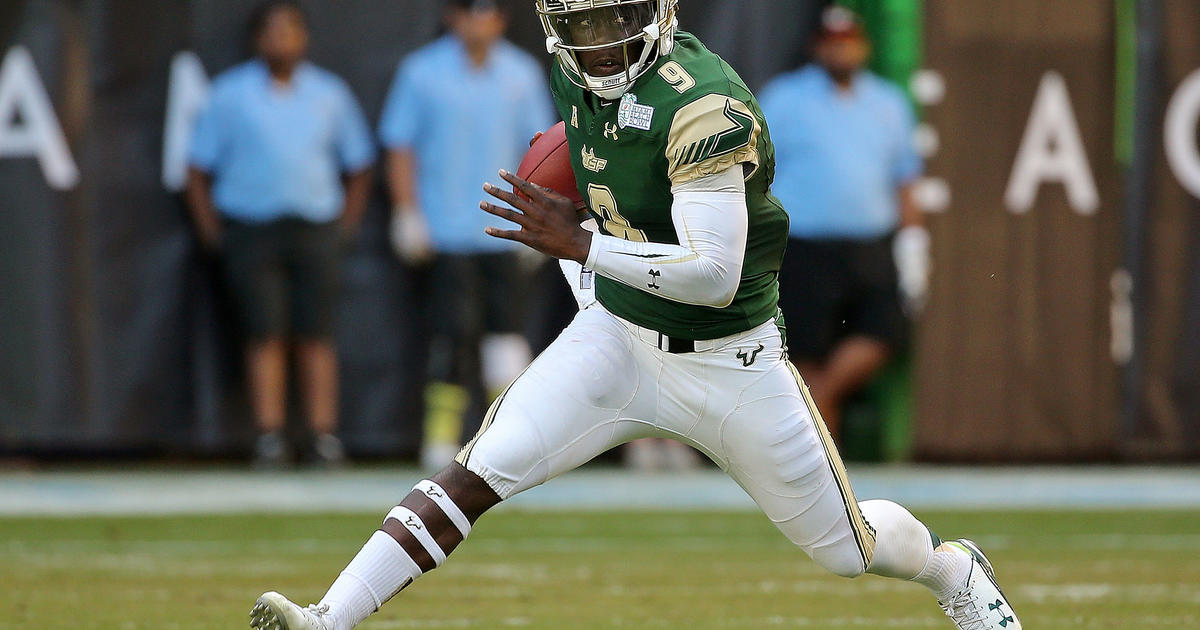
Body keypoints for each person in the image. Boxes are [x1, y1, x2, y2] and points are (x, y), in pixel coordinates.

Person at [249, 2, 1020, 629]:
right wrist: (587, 278)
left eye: (618, 20)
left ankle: (952, 568)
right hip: (617, 336)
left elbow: (713, 276)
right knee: (472, 475)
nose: (605, 45)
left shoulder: (703, 105)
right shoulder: (572, 81)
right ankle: (327, 619)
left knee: (848, 550)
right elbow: (588, 190)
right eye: (583, 26)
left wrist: (582, 248)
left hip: (730, 361)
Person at [186, 0, 375, 467]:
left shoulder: (329, 93)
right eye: (272, 32)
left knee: (317, 333)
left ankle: (322, 436)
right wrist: (213, 232)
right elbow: (197, 168)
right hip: (251, 228)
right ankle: (269, 436)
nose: (281, 40)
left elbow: (358, 163)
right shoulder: (230, 94)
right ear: (257, 40)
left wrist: (346, 225)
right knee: (264, 333)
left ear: (304, 38)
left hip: (315, 227)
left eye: (290, 31)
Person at [378, 0, 554, 470]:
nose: (481, 21)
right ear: (452, 17)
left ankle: (510, 441)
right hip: (445, 232)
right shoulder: (421, 72)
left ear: (502, 19)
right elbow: (400, 145)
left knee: (508, 337)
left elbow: (539, 152)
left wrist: (537, 220)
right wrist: (406, 213)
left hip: (504, 233)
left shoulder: (521, 73)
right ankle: (439, 442)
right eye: (471, 11)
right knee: (450, 337)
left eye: (489, 11)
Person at [757, 6, 930, 438]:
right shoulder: (785, 96)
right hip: (803, 246)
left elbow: (905, 177)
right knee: (802, 349)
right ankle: (817, 453)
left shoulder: (888, 102)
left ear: (864, 47)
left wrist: (914, 245)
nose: (842, 50)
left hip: (871, 245)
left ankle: (822, 398)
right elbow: (754, 169)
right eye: (833, 42)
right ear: (818, 47)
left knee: (885, 332)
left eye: (849, 41)